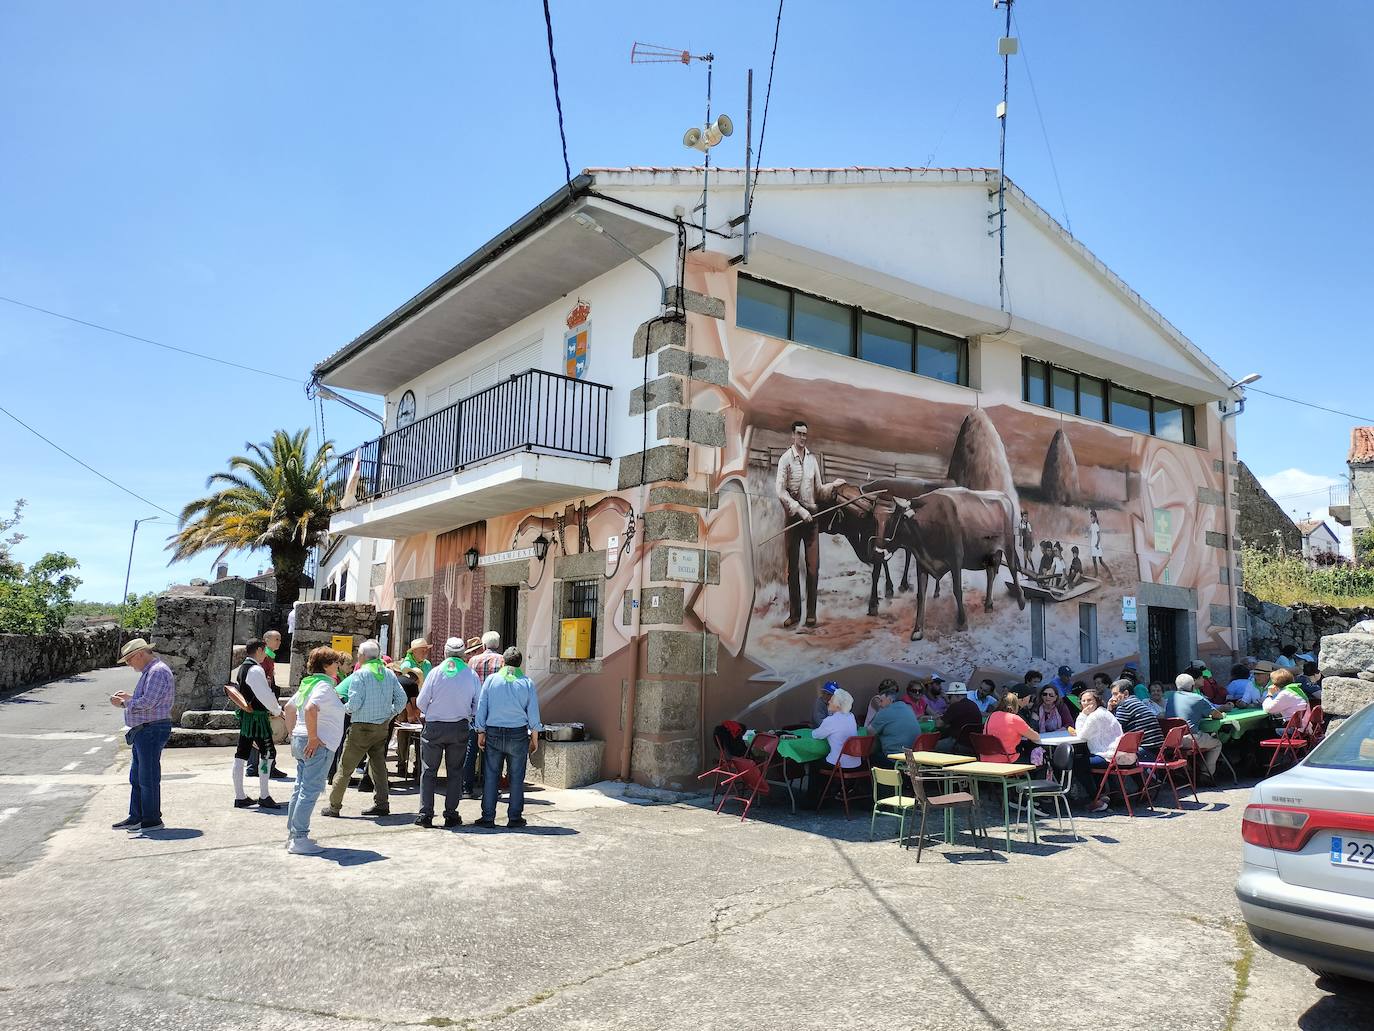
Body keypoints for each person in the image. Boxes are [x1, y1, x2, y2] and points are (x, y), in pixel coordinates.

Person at [322, 640, 406, 819]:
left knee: (345, 768)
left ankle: (334, 806)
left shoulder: (360, 674)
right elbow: (401, 699)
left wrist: (342, 708)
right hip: (381, 727)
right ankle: (382, 804)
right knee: (378, 766)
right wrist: (389, 714)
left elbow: (354, 703)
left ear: (362, 656)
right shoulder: (389, 673)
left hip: (361, 727)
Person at [774, 420, 843, 629]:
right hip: (794, 519)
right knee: (792, 570)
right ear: (793, 435)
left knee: (813, 568)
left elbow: (819, 490)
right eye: (799, 434)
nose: (803, 438)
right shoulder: (785, 460)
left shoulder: (813, 460)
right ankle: (795, 615)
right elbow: (780, 491)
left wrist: (833, 486)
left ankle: (811, 615)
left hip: (812, 519)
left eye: (805, 434)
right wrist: (799, 509)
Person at [109, 639, 175, 832]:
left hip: (151, 730)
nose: (129, 664)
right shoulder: (153, 671)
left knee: (148, 777)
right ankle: (137, 816)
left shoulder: (157, 671)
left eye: (129, 659)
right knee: (138, 776)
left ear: (139, 654)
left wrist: (123, 704)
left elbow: (148, 702)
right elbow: (149, 699)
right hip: (146, 730)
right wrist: (130, 698)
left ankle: (151, 819)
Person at [415, 637, 481, 829]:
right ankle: (451, 814)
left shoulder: (435, 673)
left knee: (428, 771)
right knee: (455, 772)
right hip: (459, 727)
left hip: (434, 727)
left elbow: (420, 702)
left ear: (444, 653)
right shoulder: (471, 675)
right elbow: (478, 705)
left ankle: (425, 814)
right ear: (463, 655)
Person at [285, 647, 346, 855]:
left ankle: (293, 835)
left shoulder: (307, 684)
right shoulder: (323, 686)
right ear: (327, 665)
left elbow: (289, 709)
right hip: (318, 744)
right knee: (309, 790)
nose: (338, 666)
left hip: (301, 740)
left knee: (300, 787)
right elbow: (311, 708)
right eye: (335, 662)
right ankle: (300, 838)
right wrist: (312, 737)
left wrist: (294, 734)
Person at [474, 647, 542, 829]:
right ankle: (514, 817)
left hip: (494, 732)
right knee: (517, 777)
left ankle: (488, 817)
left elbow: (482, 707)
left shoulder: (491, 680)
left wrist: (481, 732)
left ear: (503, 662)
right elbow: (533, 714)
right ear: (520, 664)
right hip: (518, 734)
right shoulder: (527, 682)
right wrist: (534, 739)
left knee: (490, 776)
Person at [232, 638, 283, 810]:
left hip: (248, 718)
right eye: (264, 650)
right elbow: (264, 694)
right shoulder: (255, 669)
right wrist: (277, 710)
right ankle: (264, 795)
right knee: (268, 753)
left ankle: (240, 796)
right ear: (260, 650)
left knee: (241, 754)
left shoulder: (243, 668)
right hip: (258, 718)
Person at [463, 632, 505, 798]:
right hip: (495, 712)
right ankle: (492, 788)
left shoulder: (473, 660)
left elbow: (468, 684)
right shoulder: (503, 661)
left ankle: (467, 788)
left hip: (476, 711)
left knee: (471, 749)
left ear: (484, 644)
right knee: (493, 752)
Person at [1168, 673, 1226, 779]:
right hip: (1189, 739)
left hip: (1171, 740)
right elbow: (1217, 715)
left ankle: (1189, 770)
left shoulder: (1170, 696)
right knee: (1217, 743)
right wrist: (1222, 714)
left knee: (1201, 739)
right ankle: (1206, 773)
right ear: (1192, 686)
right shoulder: (1197, 698)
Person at [1072, 688, 1121, 812]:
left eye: (1090, 700)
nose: (1087, 703)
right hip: (1116, 754)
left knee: (1078, 764)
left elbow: (1081, 735)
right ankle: (1103, 795)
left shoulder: (1094, 716)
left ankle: (1096, 799)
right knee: (1087, 759)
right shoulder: (1103, 712)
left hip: (1108, 756)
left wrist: (1082, 714)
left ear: (1097, 701)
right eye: (1083, 701)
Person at [1107, 679, 1163, 762]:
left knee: (1107, 757)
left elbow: (1114, 730)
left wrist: (1109, 710)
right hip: (1158, 750)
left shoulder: (1124, 705)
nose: (1112, 698)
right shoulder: (1137, 702)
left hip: (1145, 750)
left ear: (1125, 694)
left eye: (1115, 694)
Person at [867, 683, 919, 767]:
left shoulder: (884, 712)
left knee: (870, 757)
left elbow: (869, 732)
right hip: (912, 759)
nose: (880, 704)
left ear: (890, 700)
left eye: (881, 701)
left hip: (894, 760)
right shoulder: (908, 708)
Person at [811, 687, 861, 770]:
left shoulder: (831, 720)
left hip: (839, 764)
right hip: (856, 763)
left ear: (837, 705)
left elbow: (816, 735)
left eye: (832, 700)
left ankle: (825, 783)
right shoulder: (851, 716)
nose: (829, 701)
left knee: (814, 763)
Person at [983, 693, 1041, 764]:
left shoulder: (991, 716)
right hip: (1007, 759)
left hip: (986, 758)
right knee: (1039, 759)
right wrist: (1034, 720)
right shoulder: (1014, 719)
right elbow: (1035, 737)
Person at [937, 683, 982, 754]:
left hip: (957, 743)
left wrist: (937, 718)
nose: (949, 700)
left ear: (957, 696)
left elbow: (939, 724)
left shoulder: (955, 706)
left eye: (949, 697)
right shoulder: (973, 705)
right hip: (973, 745)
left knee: (931, 745)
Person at [1088, 509, 1111, 580]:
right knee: (1094, 560)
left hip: (1096, 546)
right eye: (1090, 517)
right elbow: (1090, 532)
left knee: (1100, 560)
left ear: (1095, 517)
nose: (1091, 518)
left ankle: (1108, 571)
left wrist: (1097, 544)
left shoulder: (1096, 526)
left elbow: (1098, 536)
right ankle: (1096, 573)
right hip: (1093, 545)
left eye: (1092, 517)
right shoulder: (1092, 525)